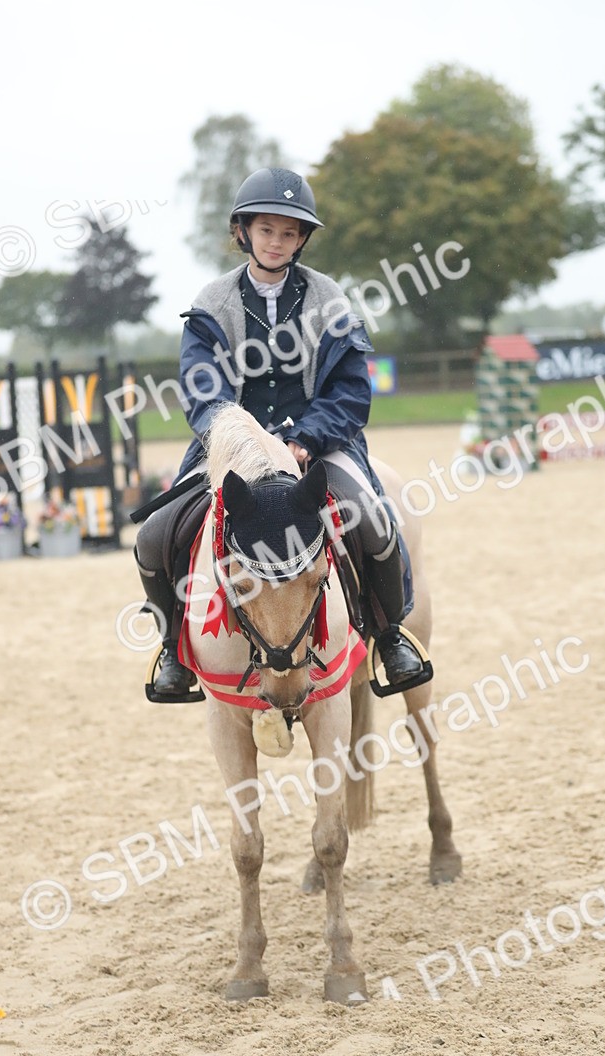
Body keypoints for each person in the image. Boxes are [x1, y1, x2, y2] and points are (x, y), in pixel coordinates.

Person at [135, 166, 426, 698]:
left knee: (376, 523)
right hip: (231, 448)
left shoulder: (330, 300)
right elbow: (203, 391)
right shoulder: (211, 303)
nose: (277, 242)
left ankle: (389, 637)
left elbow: (350, 392)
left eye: (289, 232)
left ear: (302, 239)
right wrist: (246, 444)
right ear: (243, 231)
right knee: (156, 534)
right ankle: (174, 649)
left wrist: (307, 439)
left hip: (317, 445)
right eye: (266, 229)